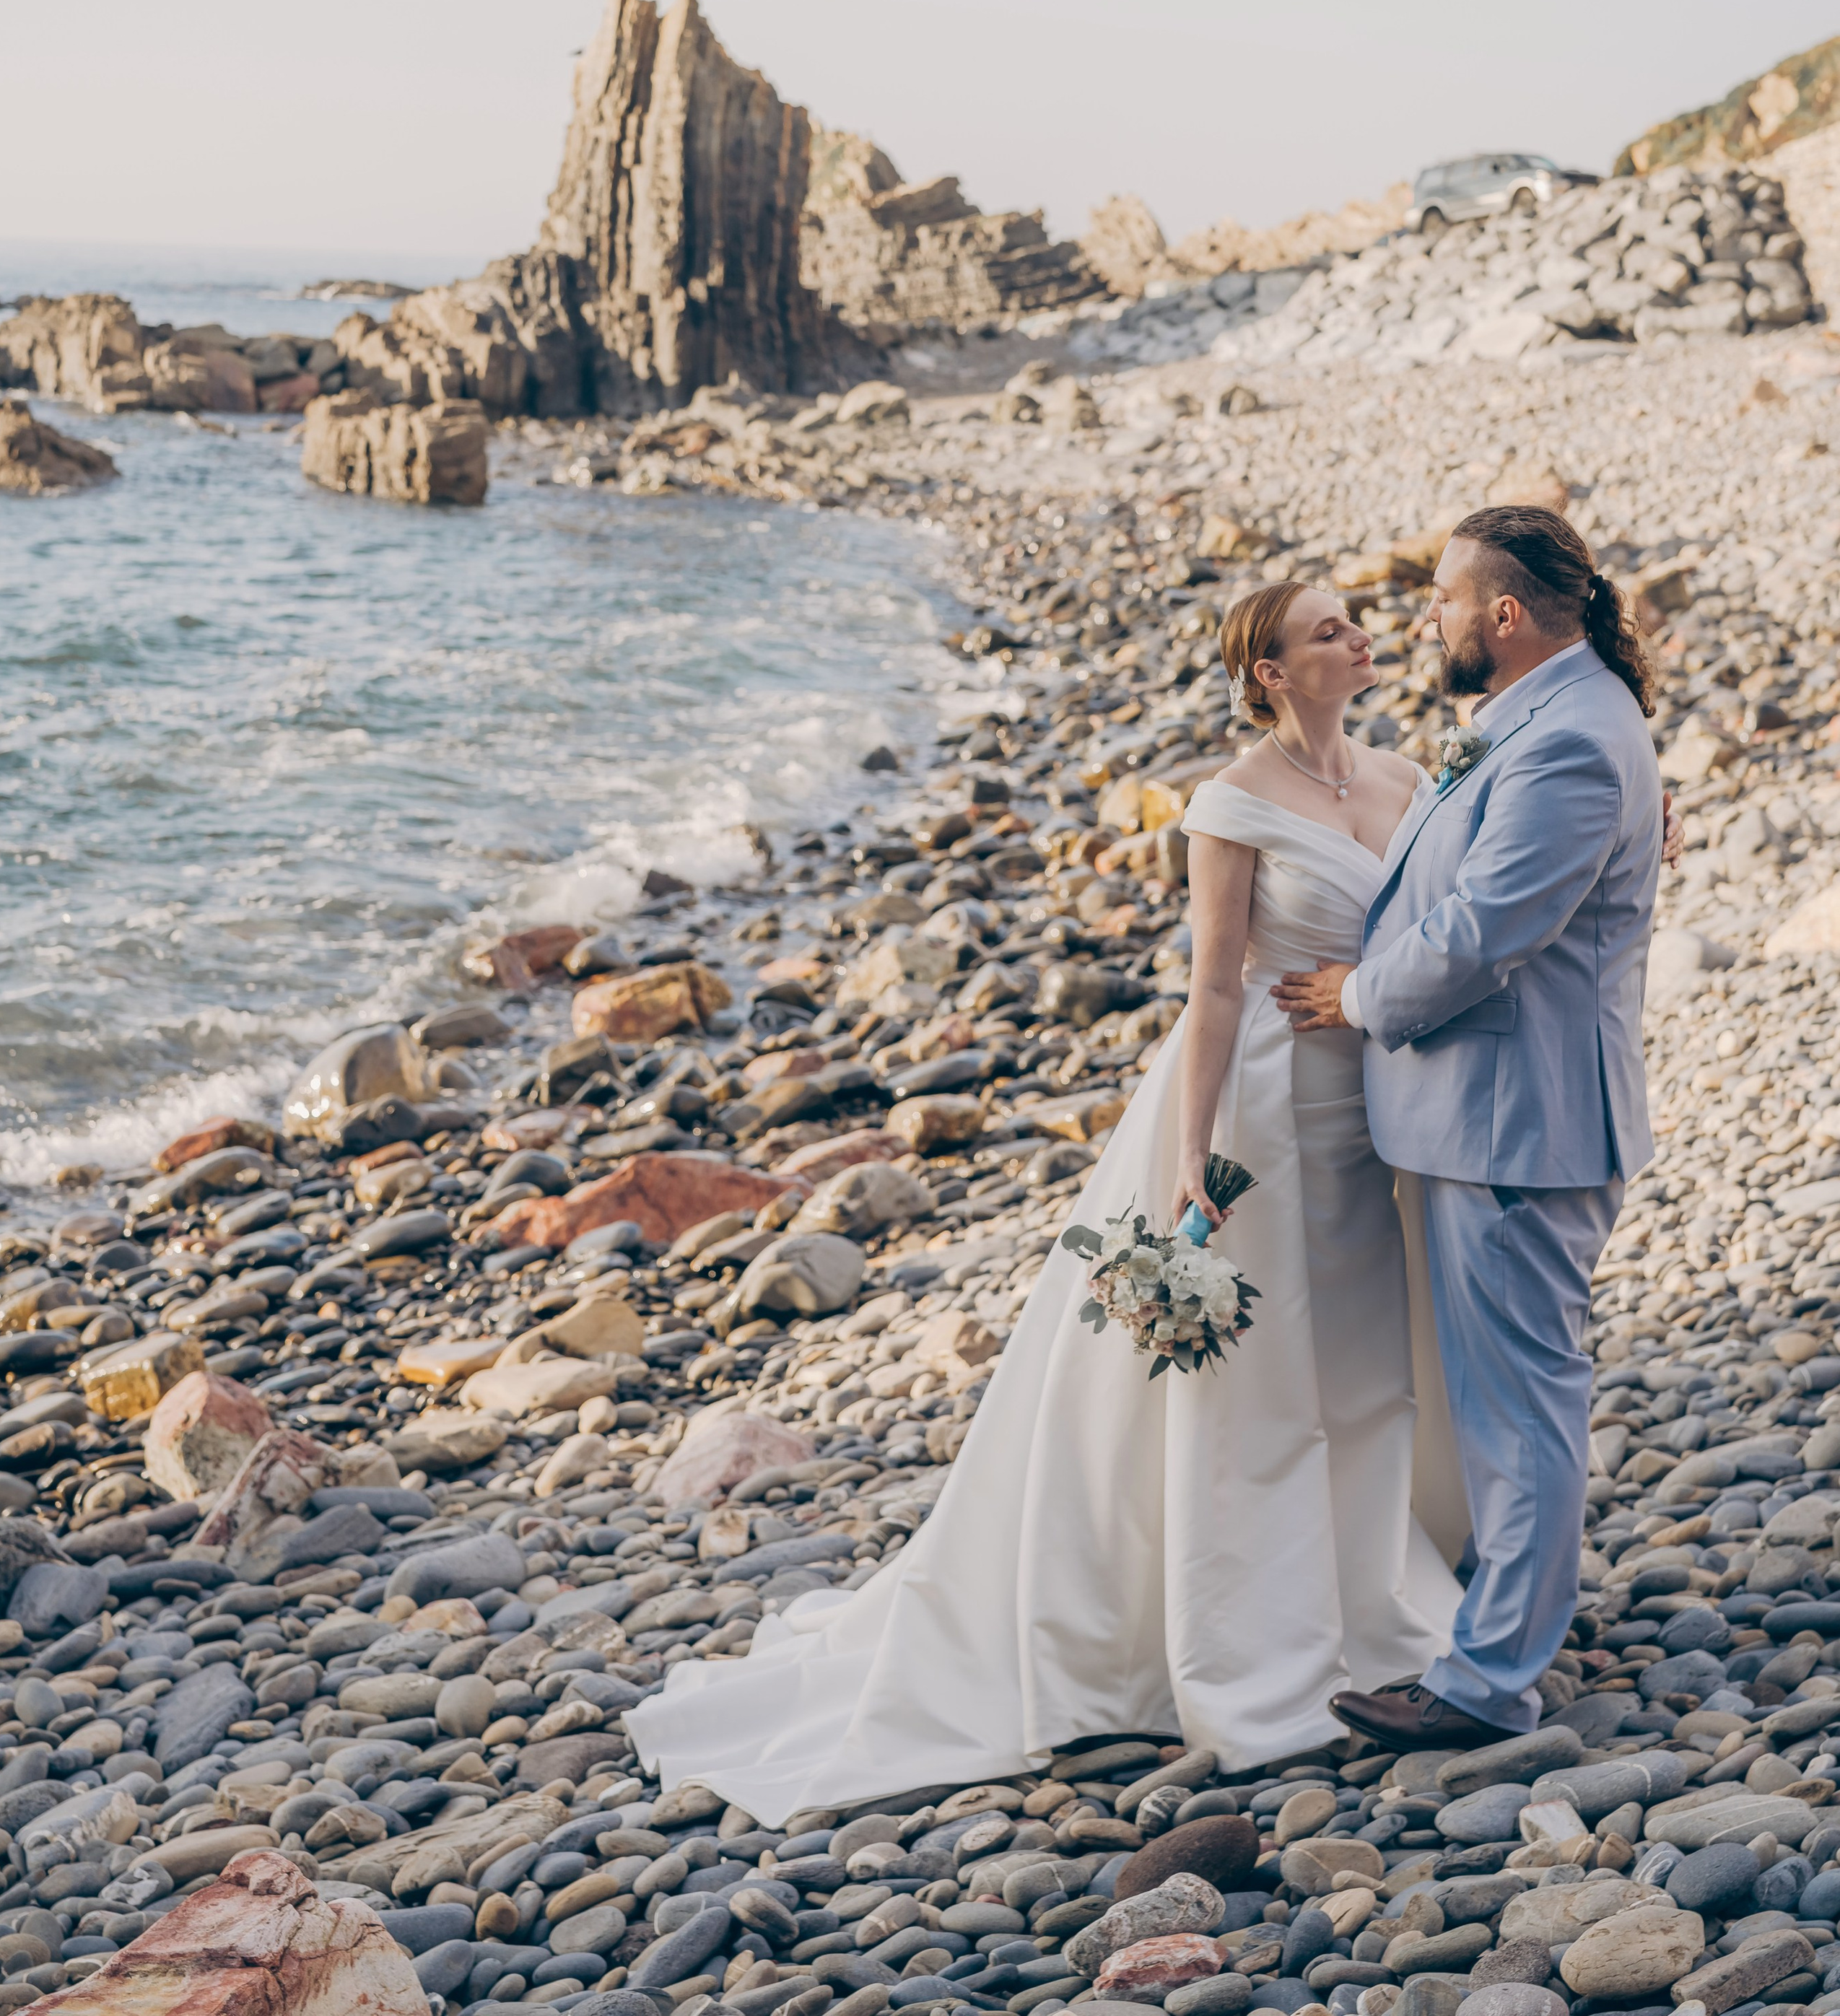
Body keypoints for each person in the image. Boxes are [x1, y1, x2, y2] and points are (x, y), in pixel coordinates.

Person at [625, 577, 1473, 1823]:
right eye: (1327, 630)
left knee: (1362, 1373)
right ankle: (1251, 1660)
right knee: (1250, 1388)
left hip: (1380, 1114)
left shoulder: (1405, 778)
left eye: (1354, 619)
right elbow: (1217, 991)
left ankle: (1371, 1617)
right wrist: (1191, 1153)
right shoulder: (1230, 804)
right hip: (1263, 1117)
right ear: (1272, 676)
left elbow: (1466, 904)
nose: (1359, 635)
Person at [1275, 505, 1665, 1753]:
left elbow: (1487, 934)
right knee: (1509, 1405)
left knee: (1521, 1411)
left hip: (1517, 1128)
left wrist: (1354, 996)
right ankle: (1516, 1616)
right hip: (1492, 1118)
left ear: (1502, 616)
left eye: (1441, 600)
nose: (1424, 621)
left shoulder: (1573, 746)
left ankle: (1490, 1682)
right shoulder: (1546, 721)